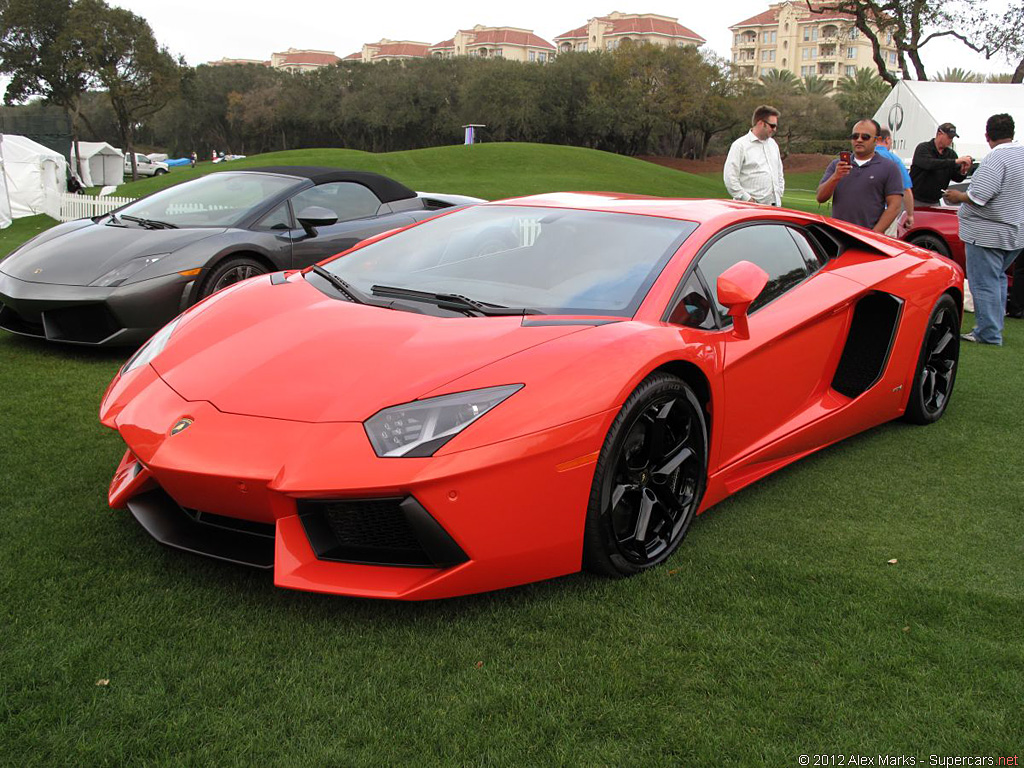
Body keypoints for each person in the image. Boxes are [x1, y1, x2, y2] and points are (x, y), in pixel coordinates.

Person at [943, 114, 1024, 346]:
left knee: (985, 282)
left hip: (988, 232)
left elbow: (980, 196)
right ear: (1013, 133)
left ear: (987, 136)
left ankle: (988, 333)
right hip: (1015, 232)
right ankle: (992, 327)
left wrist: (957, 196)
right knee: (997, 279)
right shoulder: (1020, 154)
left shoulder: (996, 159)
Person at [816, 119, 903, 233]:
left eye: (865, 137)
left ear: (876, 140)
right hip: (837, 235)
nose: (859, 140)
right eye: (855, 136)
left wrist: (874, 234)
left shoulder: (889, 167)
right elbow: (820, 198)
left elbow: (895, 206)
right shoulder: (837, 165)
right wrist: (835, 177)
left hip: (867, 237)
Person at [723, 105, 785, 206]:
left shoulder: (773, 144)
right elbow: (730, 177)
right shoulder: (740, 145)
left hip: (774, 207)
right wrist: (747, 199)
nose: (775, 129)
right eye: (772, 126)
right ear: (761, 123)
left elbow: (779, 173)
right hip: (749, 208)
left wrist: (779, 192)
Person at [910, 123, 972, 206]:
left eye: (952, 138)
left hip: (935, 201)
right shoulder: (923, 148)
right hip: (914, 199)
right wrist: (955, 161)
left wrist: (963, 170)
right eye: (949, 137)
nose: (951, 140)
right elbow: (930, 164)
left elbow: (956, 177)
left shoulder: (951, 154)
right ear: (939, 134)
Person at [875, 127, 914, 236]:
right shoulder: (894, 160)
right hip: (886, 212)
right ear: (887, 139)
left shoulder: (862, 157)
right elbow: (906, 189)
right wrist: (910, 215)